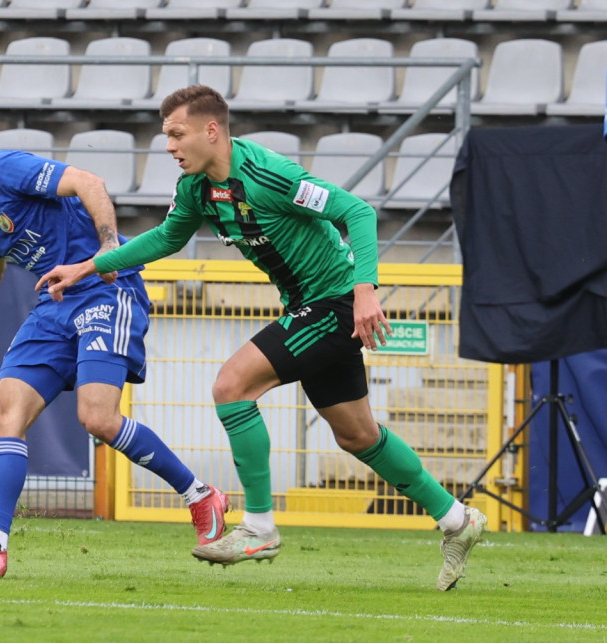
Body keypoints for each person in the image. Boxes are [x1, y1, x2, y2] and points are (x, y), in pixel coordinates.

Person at [37, 85, 487, 591]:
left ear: (212, 131)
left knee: (232, 386)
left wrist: (366, 291)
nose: (168, 146)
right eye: (166, 136)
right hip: (309, 309)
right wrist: (87, 267)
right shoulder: (196, 189)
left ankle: (259, 526)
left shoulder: (269, 174)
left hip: (336, 303)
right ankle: (457, 520)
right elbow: (166, 238)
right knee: (357, 434)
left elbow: (356, 212)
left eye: (176, 134)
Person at [0, 136, 229, 579]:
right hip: (53, 303)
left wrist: (109, 246)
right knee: (4, 410)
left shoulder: (2, 170)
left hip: (106, 287)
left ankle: (200, 494)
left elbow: (89, 182)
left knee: (97, 418)